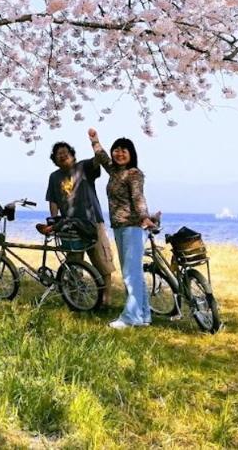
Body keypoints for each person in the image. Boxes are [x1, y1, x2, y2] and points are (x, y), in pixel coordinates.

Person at [89, 128, 155, 329]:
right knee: (134, 273)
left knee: (130, 274)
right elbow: (102, 157)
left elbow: (138, 197)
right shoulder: (115, 172)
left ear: (131, 154)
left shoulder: (133, 173)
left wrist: (144, 216)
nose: (119, 153)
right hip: (119, 227)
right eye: (116, 149)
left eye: (124, 150)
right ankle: (143, 316)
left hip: (132, 227)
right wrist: (95, 141)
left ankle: (130, 317)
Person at [42, 140, 116, 305]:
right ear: (54, 159)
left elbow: (97, 160)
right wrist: (54, 221)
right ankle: (76, 300)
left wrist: (95, 142)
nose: (62, 155)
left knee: (103, 262)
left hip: (93, 222)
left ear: (72, 155)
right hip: (70, 226)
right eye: (58, 153)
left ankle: (106, 300)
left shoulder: (83, 167)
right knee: (73, 264)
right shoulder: (54, 177)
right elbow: (53, 200)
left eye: (65, 151)